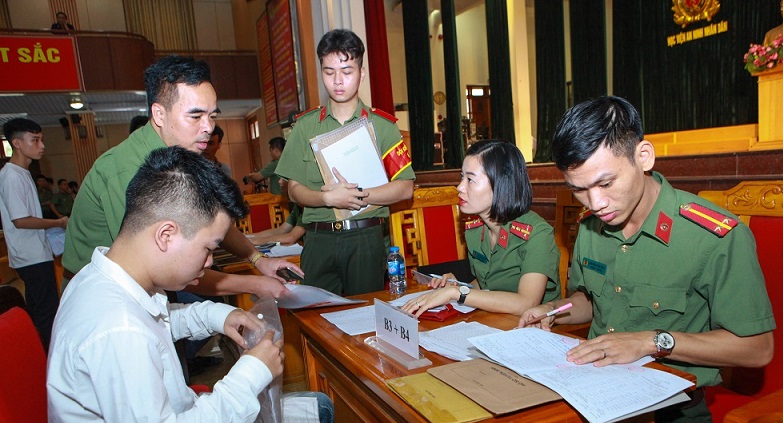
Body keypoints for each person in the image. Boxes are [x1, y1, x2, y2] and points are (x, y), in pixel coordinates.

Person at [47, 146, 371, 423]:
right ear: (166, 234)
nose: (209, 262)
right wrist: (249, 374)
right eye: (208, 248)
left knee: (320, 409)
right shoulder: (116, 328)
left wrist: (220, 315)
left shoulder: (102, 279)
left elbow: (160, 321)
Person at [518, 96, 775, 423]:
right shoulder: (592, 228)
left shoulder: (713, 236)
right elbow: (589, 299)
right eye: (579, 189)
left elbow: (757, 348)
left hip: (673, 420)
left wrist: (651, 342)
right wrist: (553, 310)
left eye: (605, 182)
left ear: (643, 156)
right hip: (592, 401)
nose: (595, 202)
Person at [61, 55, 300, 300]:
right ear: (159, 114)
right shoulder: (127, 170)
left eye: (212, 116)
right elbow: (166, 266)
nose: (208, 127)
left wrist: (258, 259)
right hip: (99, 294)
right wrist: (255, 284)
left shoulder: (181, 155)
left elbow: (211, 221)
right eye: (196, 117)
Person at [276, 29, 415, 296]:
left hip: (365, 238)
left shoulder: (383, 126)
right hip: (318, 239)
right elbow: (293, 190)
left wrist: (355, 196)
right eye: (329, 72)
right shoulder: (305, 127)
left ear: (361, 74)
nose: (338, 81)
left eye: (347, 72)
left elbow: (405, 187)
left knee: (366, 313)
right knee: (315, 314)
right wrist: (327, 199)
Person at [402, 140, 561, 316]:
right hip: (495, 321)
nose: (459, 187)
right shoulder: (475, 230)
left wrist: (457, 293)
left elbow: (526, 303)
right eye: (462, 177)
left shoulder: (537, 234)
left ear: (500, 184)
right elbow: (488, 285)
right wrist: (461, 286)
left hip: (534, 327)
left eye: (470, 179)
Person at [0, 118, 67, 348]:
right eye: (35, 140)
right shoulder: (11, 175)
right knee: (46, 313)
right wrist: (57, 222)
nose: (42, 146)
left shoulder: (22, 173)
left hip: (36, 253)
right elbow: (20, 220)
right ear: (17, 143)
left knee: (44, 309)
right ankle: (48, 359)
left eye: (41, 139)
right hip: (30, 256)